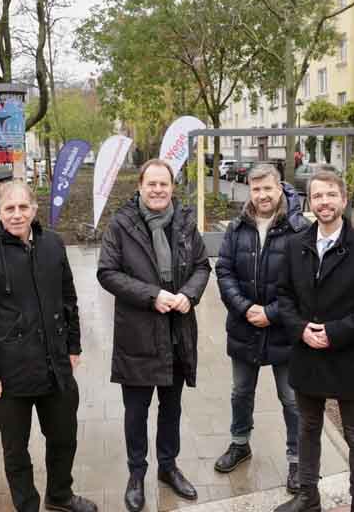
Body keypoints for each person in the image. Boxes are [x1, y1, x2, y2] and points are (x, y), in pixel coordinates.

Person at [0, 180, 97, 512]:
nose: (17, 214)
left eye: (23, 207)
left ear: (34, 209)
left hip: (55, 367)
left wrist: (74, 346)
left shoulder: (52, 245)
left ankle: (60, 496)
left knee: (64, 437)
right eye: (9, 208)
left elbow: (69, 299)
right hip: (8, 374)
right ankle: (27, 505)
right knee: (16, 449)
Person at [273, 170, 354, 512]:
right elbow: (284, 296)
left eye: (331, 194)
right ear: (309, 202)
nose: (324, 202)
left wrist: (336, 332)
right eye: (317, 196)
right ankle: (307, 496)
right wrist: (301, 329)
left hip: (350, 355)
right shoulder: (295, 245)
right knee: (308, 427)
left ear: (344, 200)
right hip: (307, 352)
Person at [97, 159, 212, 512]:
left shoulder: (186, 223)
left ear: (172, 187)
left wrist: (188, 295)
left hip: (177, 332)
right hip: (139, 335)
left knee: (171, 407)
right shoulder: (121, 225)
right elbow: (107, 273)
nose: (158, 190)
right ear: (140, 187)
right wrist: (153, 296)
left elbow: (202, 266)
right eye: (152, 184)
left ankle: (168, 467)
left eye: (164, 184)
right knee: (136, 411)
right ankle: (136, 474)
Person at [213, 164, 309, 494]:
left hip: (284, 329)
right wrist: (245, 308)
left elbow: (306, 285)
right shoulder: (237, 226)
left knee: (291, 398)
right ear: (249, 191)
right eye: (256, 190)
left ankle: (298, 459)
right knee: (241, 392)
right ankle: (240, 443)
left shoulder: (299, 229)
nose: (262, 195)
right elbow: (223, 271)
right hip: (244, 325)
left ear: (279, 187)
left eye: (268, 188)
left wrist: (271, 313)